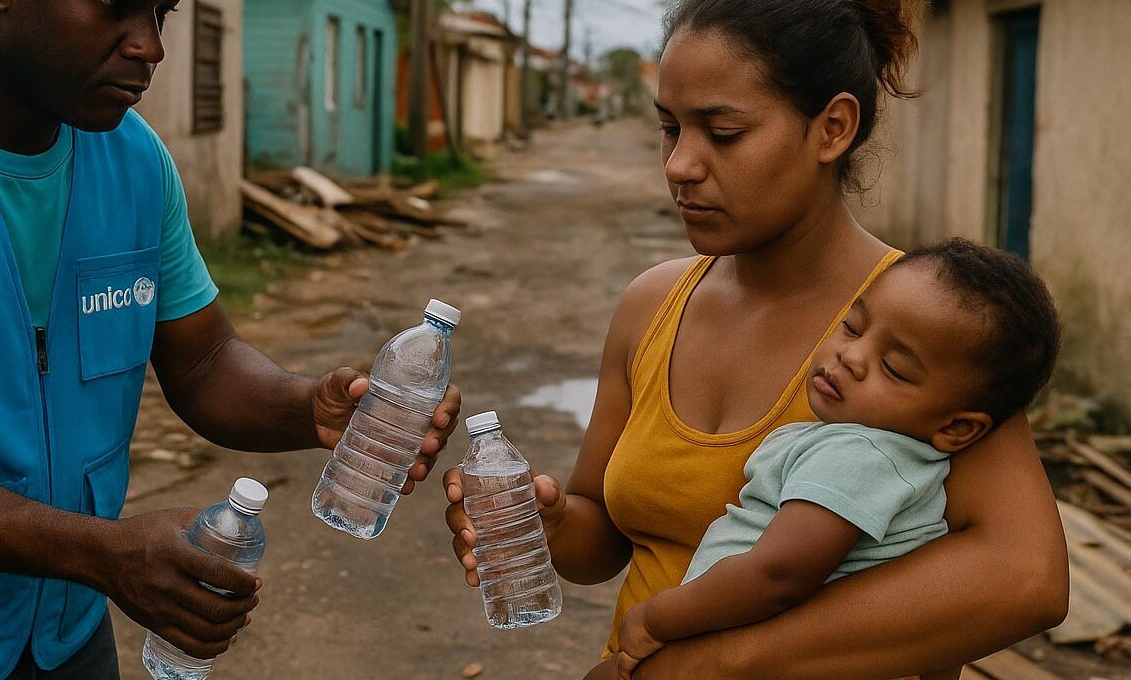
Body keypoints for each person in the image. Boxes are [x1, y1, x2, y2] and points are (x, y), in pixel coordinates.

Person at [444, 0, 1068, 677]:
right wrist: (550, 523)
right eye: (669, 128)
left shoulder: (921, 332)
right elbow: (605, 538)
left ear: (832, 129)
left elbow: (1026, 580)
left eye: (724, 132)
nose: (681, 164)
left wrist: (718, 663)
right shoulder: (652, 305)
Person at [0, 2, 459, 679]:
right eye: (116, 6)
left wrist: (313, 407)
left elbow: (206, 360)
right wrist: (100, 553)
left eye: (163, 12)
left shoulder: (133, 161)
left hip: (65, 639)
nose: (151, 47)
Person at [612, 240, 1061, 680]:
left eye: (895, 369)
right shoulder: (915, 471)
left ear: (957, 429)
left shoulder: (858, 458)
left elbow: (778, 575)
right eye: (852, 326)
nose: (852, 356)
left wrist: (656, 619)